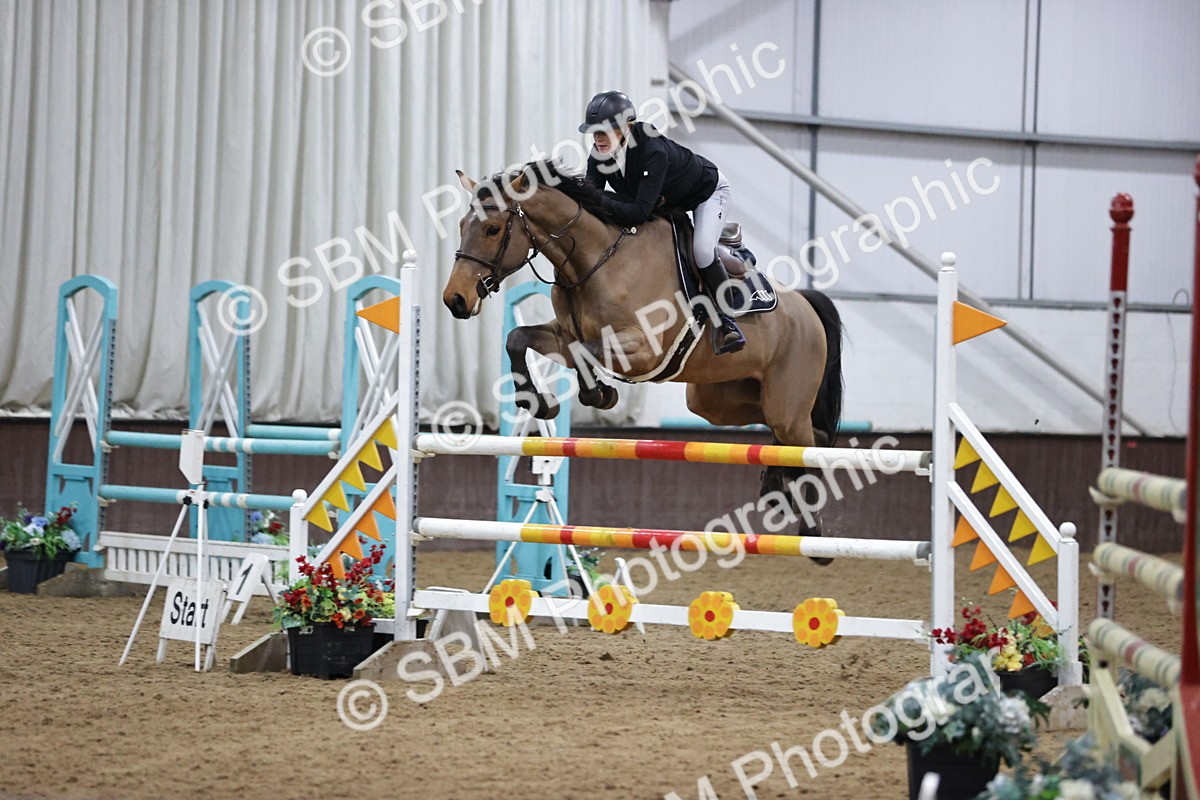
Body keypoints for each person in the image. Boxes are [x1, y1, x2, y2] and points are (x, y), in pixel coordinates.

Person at [579, 90, 745, 355]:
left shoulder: (651, 150)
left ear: (627, 128)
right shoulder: (599, 154)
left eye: (605, 131)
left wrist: (598, 199)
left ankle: (728, 321)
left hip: (707, 193)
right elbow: (590, 200)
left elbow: (638, 213)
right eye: (594, 132)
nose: (598, 139)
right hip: (667, 201)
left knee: (702, 251)